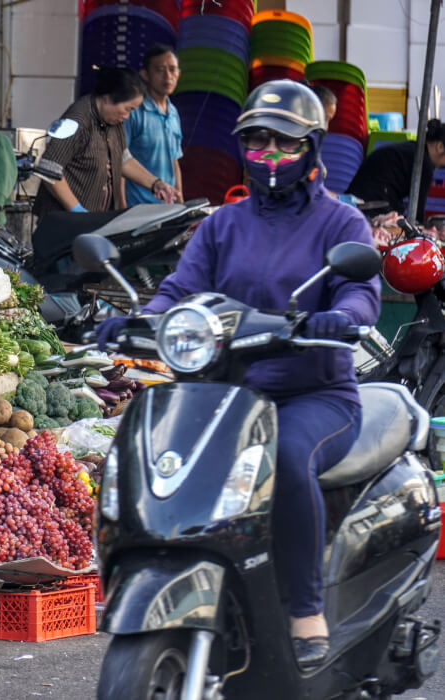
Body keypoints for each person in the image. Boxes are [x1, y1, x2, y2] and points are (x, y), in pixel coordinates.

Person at [97, 80, 380, 669]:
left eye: (282, 143)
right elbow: (178, 290)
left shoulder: (340, 224)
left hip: (315, 394)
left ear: (311, 148)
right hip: (228, 394)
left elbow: (360, 292)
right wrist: (136, 320)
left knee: (288, 458)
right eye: (256, 143)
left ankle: (305, 610)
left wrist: (341, 317)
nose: (269, 155)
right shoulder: (223, 225)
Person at [34, 66, 175, 218]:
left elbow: (123, 160)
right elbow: (49, 168)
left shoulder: (114, 121)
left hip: (94, 219)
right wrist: (77, 210)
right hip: (63, 222)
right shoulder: (77, 120)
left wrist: (155, 183)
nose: (127, 116)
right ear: (107, 98)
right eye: (127, 109)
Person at [345, 119, 445, 221]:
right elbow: (417, 214)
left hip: (359, 198)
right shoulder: (423, 163)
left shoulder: (413, 149)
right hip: (371, 204)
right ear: (440, 147)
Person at [125, 44, 184, 205]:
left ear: (179, 74)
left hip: (166, 209)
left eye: (172, 70)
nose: (167, 76)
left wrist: (180, 205)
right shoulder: (133, 112)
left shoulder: (173, 113)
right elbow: (120, 160)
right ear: (145, 74)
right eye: (160, 70)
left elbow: (174, 161)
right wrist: (120, 208)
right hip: (136, 209)